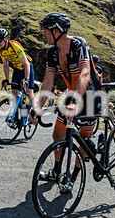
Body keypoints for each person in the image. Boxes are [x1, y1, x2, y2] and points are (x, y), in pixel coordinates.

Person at [29, 12, 102, 179]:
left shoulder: (78, 44)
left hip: (91, 96)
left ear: (57, 31)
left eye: (46, 30)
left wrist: (76, 102)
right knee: (58, 134)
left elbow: (85, 74)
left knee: (83, 138)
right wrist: (37, 107)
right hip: (72, 93)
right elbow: (48, 81)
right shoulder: (52, 53)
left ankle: (73, 177)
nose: (44, 33)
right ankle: (56, 171)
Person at [0, 28, 36, 115]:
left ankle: (35, 113)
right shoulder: (0, 50)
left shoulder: (14, 46)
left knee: (29, 92)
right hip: (17, 69)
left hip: (27, 67)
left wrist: (26, 80)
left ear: (5, 38)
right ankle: (18, 114)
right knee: (14, 92)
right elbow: (5, 65)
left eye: (0, 40)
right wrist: (6, 79)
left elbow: (26, 64)